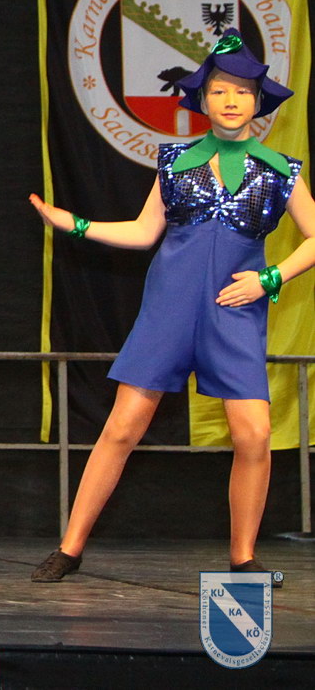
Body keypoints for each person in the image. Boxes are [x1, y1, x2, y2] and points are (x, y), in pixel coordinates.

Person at [26, 32, 315, 584]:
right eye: (219, 90)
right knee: (121, 427)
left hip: (233, 310)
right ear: (202, 99)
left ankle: (243, 557)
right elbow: (143, 231)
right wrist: (76, 224)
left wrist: (270, 278)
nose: (231, 100)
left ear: (259, 101)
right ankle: (69, 547)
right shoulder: (176, 161)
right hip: (169, 308)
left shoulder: (281, 169)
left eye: (242, 91)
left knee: (255, 434)